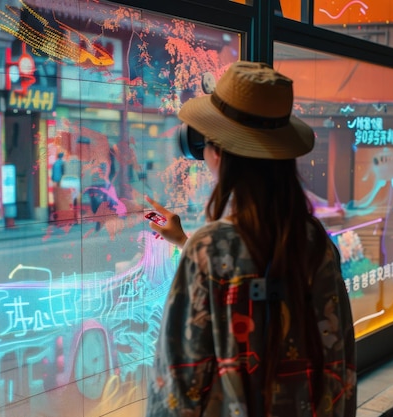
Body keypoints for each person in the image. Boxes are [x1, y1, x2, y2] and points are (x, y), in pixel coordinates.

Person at [145, 61, 356, 417]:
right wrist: (185, 240)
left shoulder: (210, 250)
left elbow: (179, 383)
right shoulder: (314, 241)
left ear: (219, 154)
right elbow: (341, 360)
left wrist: (193, 247)